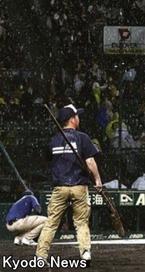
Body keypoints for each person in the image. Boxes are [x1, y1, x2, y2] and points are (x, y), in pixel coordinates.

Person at [36, 104, 102, 262]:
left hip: (60, 186)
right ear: (72, 120)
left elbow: (48, 158)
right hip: (79, 185)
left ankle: (41, 255)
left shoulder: (54, 139)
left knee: (52, 222)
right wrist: (98, 180)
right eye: (77, 116)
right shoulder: (82, 138)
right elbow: (90, 162)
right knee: (81, 222)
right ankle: (85, 252)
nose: (78, 118)